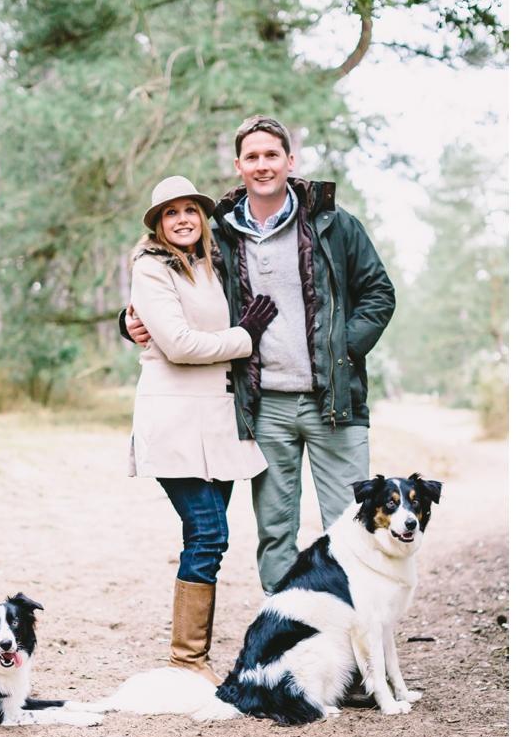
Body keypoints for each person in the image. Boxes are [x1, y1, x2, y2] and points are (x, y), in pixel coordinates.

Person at [126, 117, 395, 594]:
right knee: (275, 534)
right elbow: (176, 285)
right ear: (239, 166)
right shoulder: (221, 237)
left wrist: (341, 351)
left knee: (353, 528)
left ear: (290, 162)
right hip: (263, 407)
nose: (262, 165)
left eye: (272, 155)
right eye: (252, 157)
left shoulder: (335, 225)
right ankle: (288, 639)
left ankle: (356, 645)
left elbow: (378, 293)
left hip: (336, 402)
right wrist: (127, 324)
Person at [129, 175, 277, 683]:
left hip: (219, 421)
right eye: (171, 213)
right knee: (208, 533)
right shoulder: (150, 269)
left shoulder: (214, 266)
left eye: (190, 209)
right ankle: (187, 660)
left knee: (211, 540)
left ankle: (195, 658)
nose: (183, 219)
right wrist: (244, 338)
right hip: (173, 421)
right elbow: (178, 343)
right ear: (158, 225)